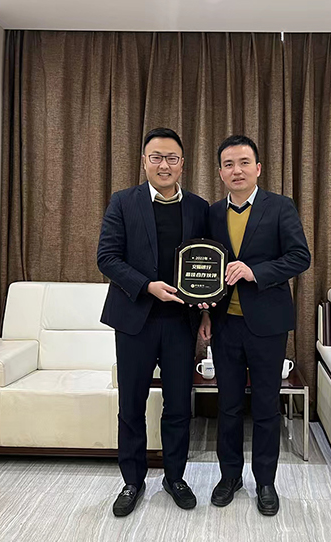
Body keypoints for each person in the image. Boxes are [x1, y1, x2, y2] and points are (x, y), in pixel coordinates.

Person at [98, 128, 209, 517]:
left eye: (172, 158)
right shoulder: (123, 202)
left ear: (183, 164)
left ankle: (175, 477)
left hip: (181, 321)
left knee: (179, 405)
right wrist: (147, 286)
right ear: (144, 161)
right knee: (131, 404)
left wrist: (206, 311)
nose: (165, 165)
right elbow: (107, 258)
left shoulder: (198, 207)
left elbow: (207, 263)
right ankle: (132, 480)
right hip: (135, 319)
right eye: (157, 157)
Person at [199, 135, 311, 516]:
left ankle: (265, 482)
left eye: (244, 163)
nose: (237, 170)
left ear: (258, 168)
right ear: (220, 172)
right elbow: (207, 269)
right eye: (229, 164)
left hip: (267, 325)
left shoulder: (280, 207)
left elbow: (300, 257)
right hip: (225, 324)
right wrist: (205, 314)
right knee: (228, 406)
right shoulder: (212, 213)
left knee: (265, 406)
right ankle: (229, 476)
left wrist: (254, 271)